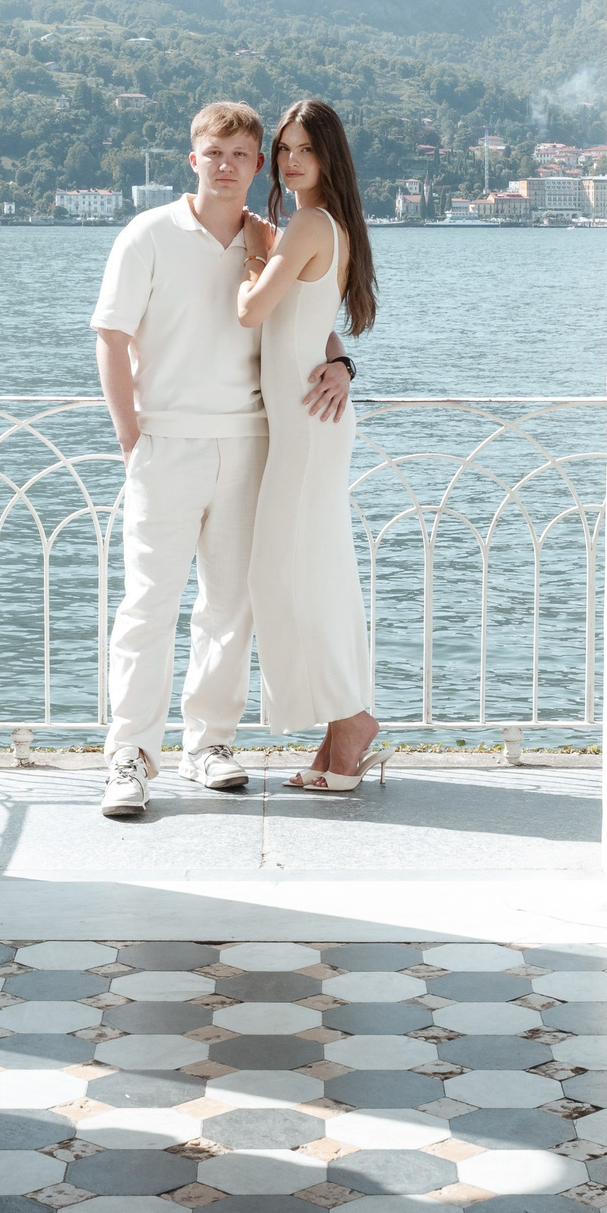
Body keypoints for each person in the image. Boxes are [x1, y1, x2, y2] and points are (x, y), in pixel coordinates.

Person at [91, 101, 353, 818]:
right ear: (194, 157)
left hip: (251, 442)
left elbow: (308, 320)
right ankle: (130, 756)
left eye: (242, 154)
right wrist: (130, 434)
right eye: (216, 153)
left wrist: (343, 364)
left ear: (257, 164)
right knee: (148, 603)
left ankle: (207, 742)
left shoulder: (269, 236)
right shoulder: (147, 235)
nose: (228, 165)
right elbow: (110, 338)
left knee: (229, 604)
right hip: (165, 443)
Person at [239, 99, 390, 792]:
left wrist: (249, 253)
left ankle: (352, 719)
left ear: (329, 155)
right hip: (311, 417)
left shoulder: (305, 225)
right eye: (284, 149)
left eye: (305, 148)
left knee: (289, 575)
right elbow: (316, 323)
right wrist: (344, 362)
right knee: (314, 573)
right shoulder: (329, 225)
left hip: (303, 425)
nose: (290, 161)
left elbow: (252, 310)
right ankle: (340, 728)